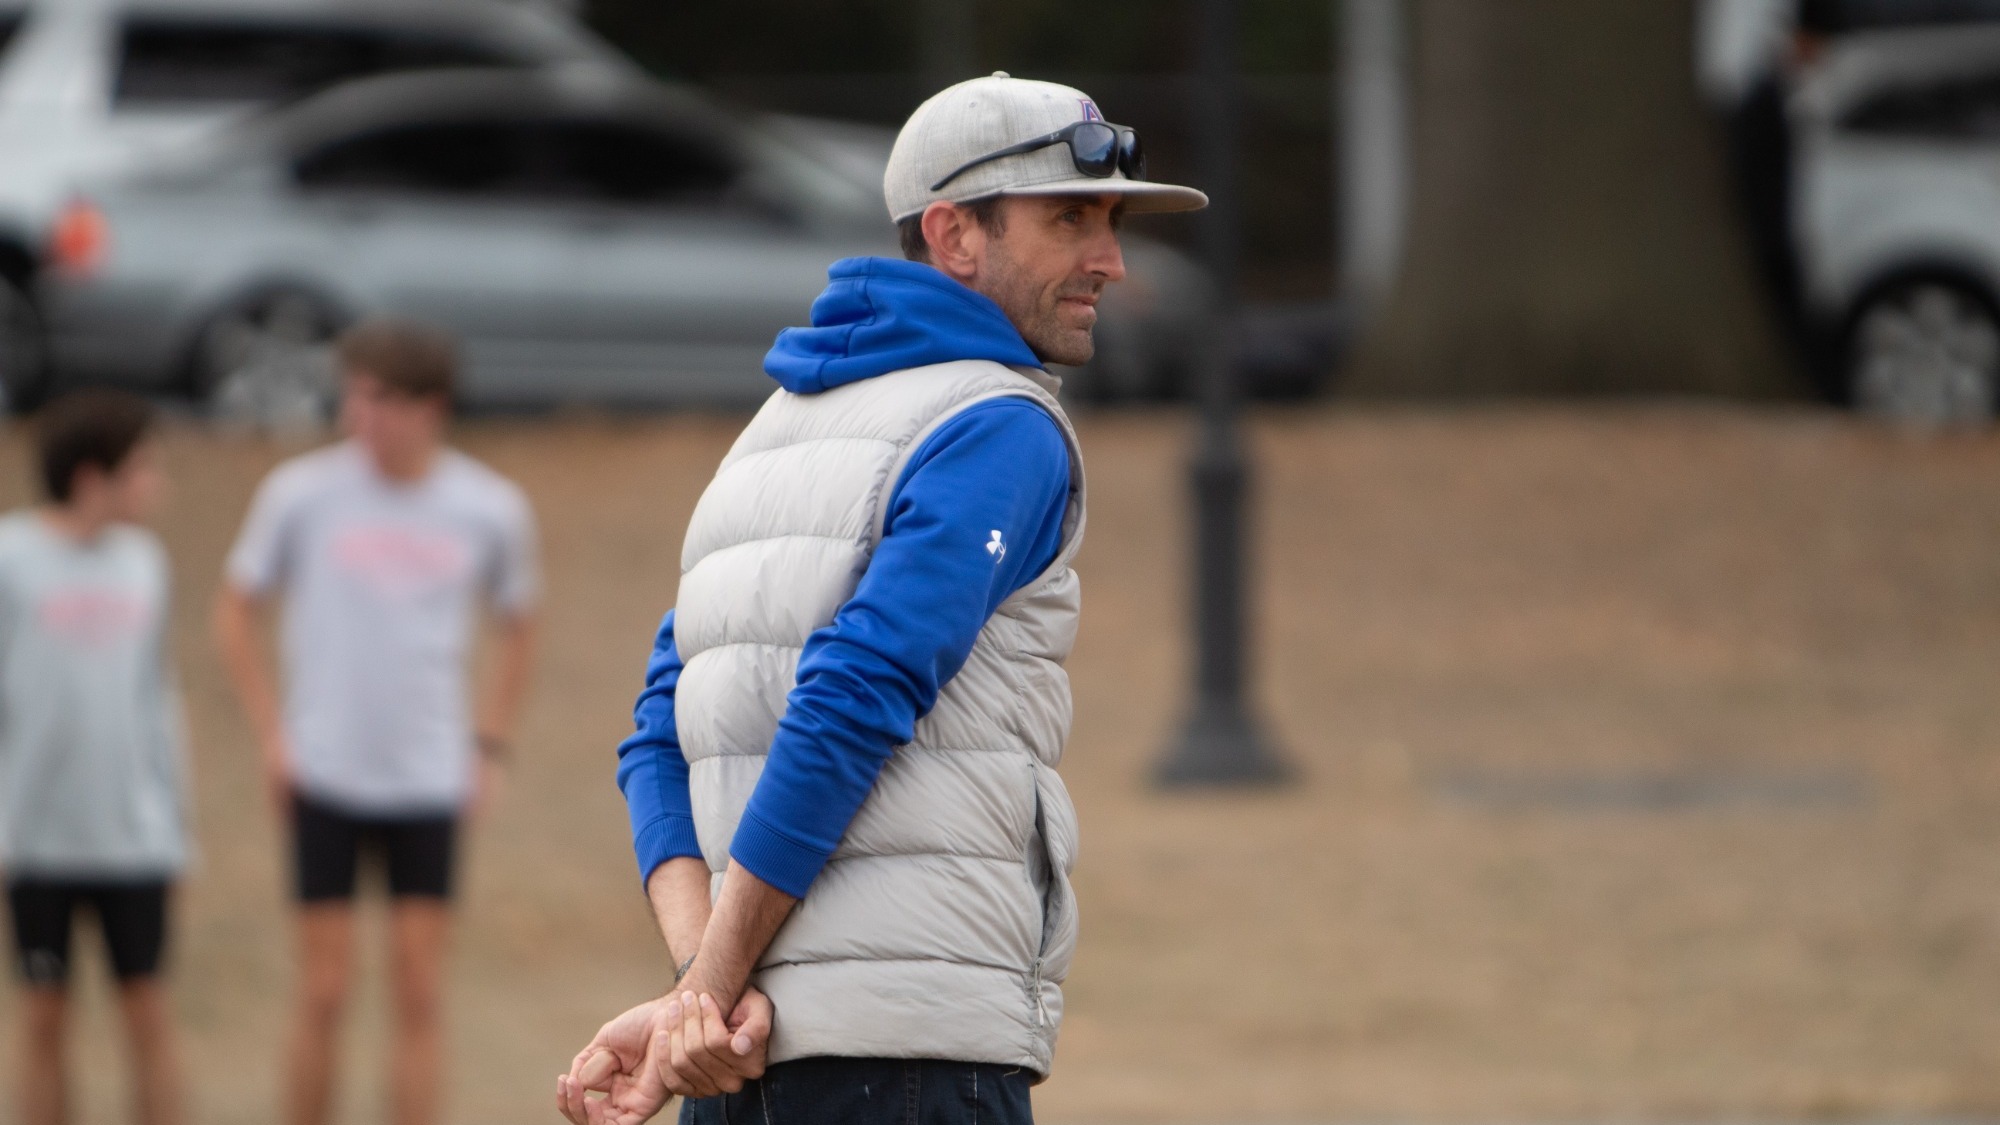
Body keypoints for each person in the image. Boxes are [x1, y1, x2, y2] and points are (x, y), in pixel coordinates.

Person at [558, 73, 1205, 1125]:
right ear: (953, 236)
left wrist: (698, 993)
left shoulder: (770, 430)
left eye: (1111, 221)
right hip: (909, 1061)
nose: (1111, 259)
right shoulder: (998, 424)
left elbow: (656, 736)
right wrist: (708, 994)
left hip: (736, 1067)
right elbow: (857, 693)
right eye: (1070, 216)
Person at [214, 319, 539, 1125]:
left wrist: (489, 745)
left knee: (420, 990)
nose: (357, 415)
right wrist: (272, 734)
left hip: (427, 777)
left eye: (379, 399)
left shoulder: (488, 506)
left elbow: (520, 622)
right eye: (352, 395)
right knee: (323, 990)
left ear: (431, 406)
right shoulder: (300, 493)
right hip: (324, 770)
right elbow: (233, 607)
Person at [0, 390, 188, 1125]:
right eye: (142, 467)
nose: (156, 484)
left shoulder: (146, 563)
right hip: (38, 839)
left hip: (133, 840)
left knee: (148, 1012)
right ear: (91, 475)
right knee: (44, 1014)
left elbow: (156, 700)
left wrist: (176, 827)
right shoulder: (11, 558)